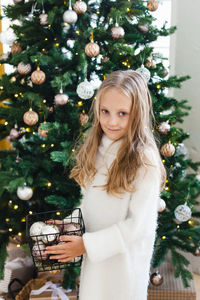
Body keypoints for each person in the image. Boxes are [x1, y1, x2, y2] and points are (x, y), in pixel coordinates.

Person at [45, 70, 166, 300]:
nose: (112, 121)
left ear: (138, 114)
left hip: (124, 267)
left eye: (123, 114)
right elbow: (90, 203)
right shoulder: (97, 146)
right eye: (105, 112)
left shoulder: (144, 159)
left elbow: (137, 226)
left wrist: (86, 245)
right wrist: (69, 226)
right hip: (96, 262)